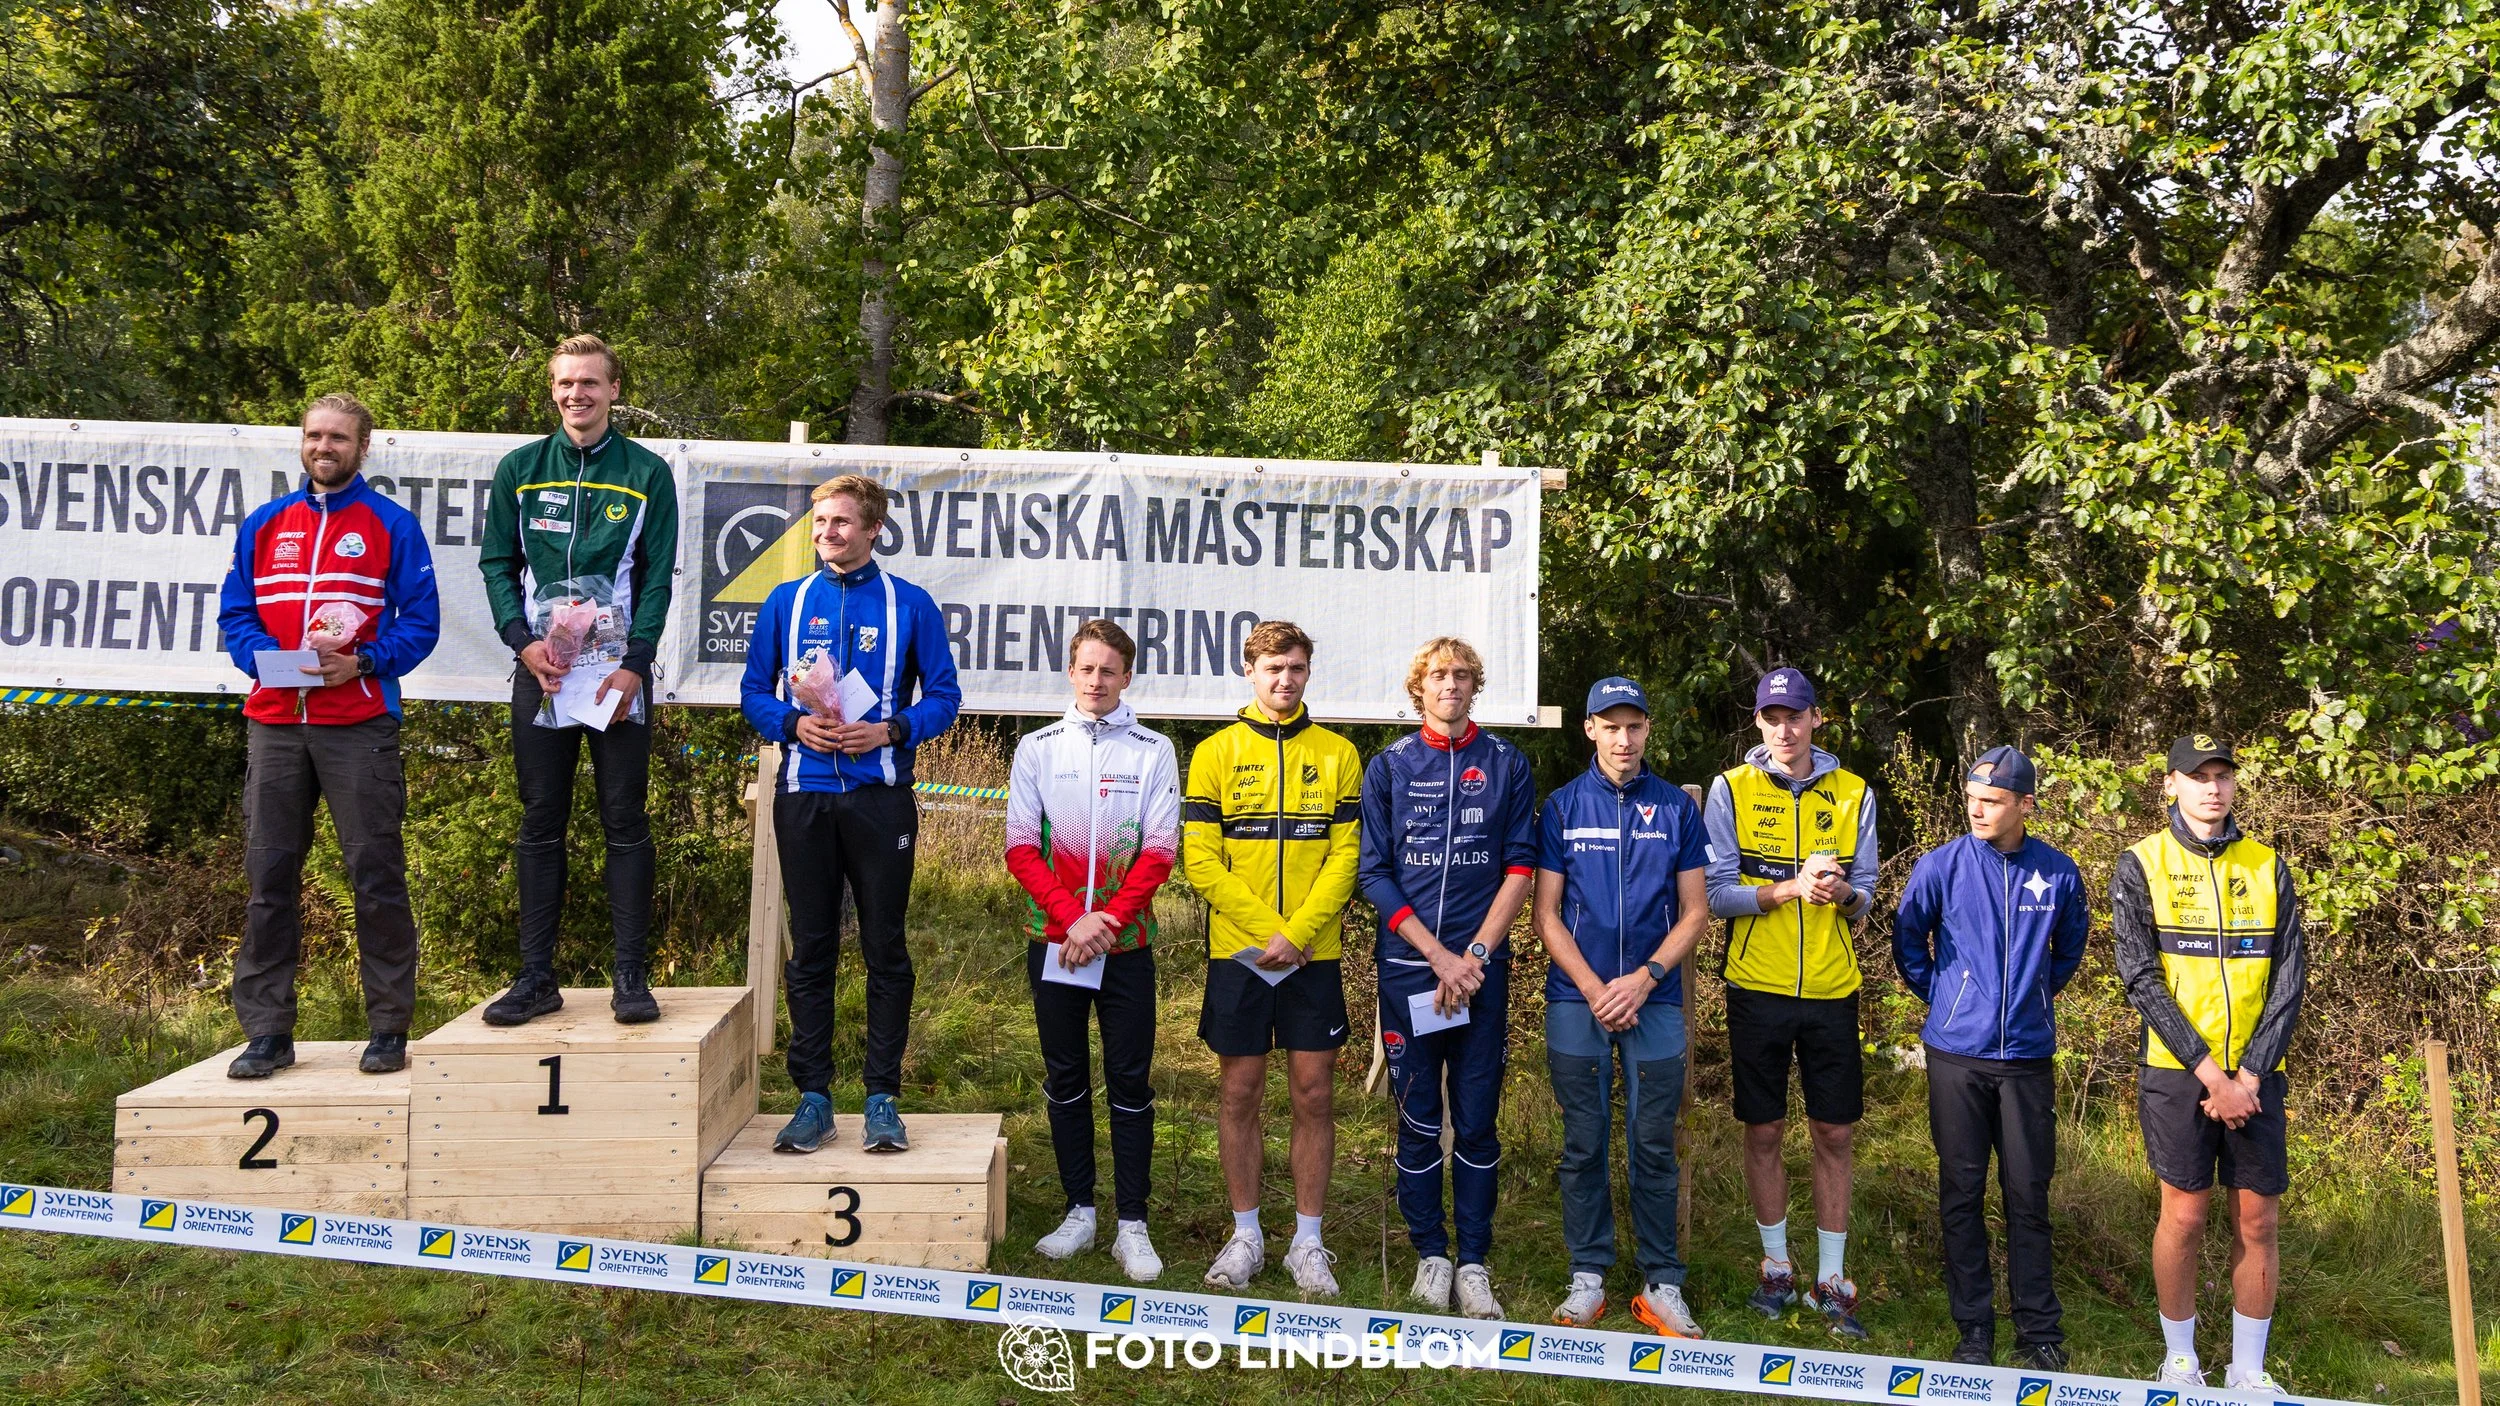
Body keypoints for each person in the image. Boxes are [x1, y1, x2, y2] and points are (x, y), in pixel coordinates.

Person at [217, 393, 441, 1078]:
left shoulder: (390, 525)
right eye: (314, 435)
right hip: (276, 725)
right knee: (269, 878)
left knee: (375, 877)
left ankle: (388, 1028)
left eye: (338, 438)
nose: (324, 447)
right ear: (302, 442)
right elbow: (235, 617)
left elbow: (422, 623)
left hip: (359, 726)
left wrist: (363, 661)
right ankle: (267, 1031)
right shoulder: (265, 524)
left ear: (362, 448)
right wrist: (267, 660)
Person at [741, 474, 961, 1155]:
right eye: (819, 523)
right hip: (804, 796)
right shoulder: (786, 601)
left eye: (840, 522)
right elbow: (751, 691)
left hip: (879, 798)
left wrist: (892, 731)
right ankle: (813, 1098)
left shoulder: (911, 605)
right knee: (810, 949)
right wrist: (788, 724)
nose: (826, 533)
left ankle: (881, 1099)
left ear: (873, 530)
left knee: (884, 949)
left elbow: (947, 696)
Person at [476, 334, 680, 1026]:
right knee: (540, 823)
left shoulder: (647, 472)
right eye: (565, 384)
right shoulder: (521, 468)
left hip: (617, 674)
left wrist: (635, 665)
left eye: (590, 383)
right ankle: (536, 977)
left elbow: (657, 580)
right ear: (552, 391)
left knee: (624, 821)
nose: (576, 395)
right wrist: (523, 643)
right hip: (543, 671)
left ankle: (631, 976)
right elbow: (496, 566)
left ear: (614, 390)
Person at [2113, 735, 2306, 1393]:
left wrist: (2249, 1074)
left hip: (2257, 1076)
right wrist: (2210, 1073)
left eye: (2223, 776)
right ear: (2171, 785)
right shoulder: (2140, 863)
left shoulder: (2269, 865)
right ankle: (2180, 1364)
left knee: (2258, 1220)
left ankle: (2247, 1373)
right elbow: (2139, 976)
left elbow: (2289, 978)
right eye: (2199, 777)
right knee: (2185, 1216)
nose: (2213, 789)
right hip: (2177, 1072)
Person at [1356, 638, 1536, 1320]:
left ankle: (1474, 1263)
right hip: (1412, 973)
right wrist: (1440, 958)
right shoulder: (1392, 766)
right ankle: (1431, 1254)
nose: (1451, 685)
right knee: (1418, 1122)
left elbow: (1521, 863)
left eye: (1462, 675)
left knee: (1478, 1121)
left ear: (1475, 687)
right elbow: (1374, 871)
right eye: (1438, 675)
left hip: (1481, 977)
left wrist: (1477, 959)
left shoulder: (1507, 763)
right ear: (1419, 688)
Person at [1892, 746, 2087, 1371]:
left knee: (2029, 1194)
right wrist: (1950, 1000)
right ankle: (1973, 1328)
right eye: (1972, 797)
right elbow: (1908, 943)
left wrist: (2026, 1000)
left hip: (2027, 1057)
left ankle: (2039, 1333)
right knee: (1961, 1193)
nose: (1978, 809)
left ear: (2025, 805)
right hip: (1956, 1055)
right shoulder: (1939, 866)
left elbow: (2068, 952)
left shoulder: (2058, 873)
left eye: (1993, 800)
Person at [1184, 620, 1362, 1297]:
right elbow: (1201, 860)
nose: (1284, 679)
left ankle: (1308, 1244)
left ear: (1307, 672)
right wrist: (1271, 931)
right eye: (1271, 669)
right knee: (1240, 1091)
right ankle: (1246, 1235)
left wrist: (1302, 931)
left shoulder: (1340, 754)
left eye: (1294, 668)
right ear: (1250, 673)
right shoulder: (1215, 753)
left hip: (1313, 954)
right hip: (1242, 952)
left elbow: (1346, 856)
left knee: (1314, 1093)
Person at [1701, 667, 1878, 1338]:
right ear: (1758, 723)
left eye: (1796, 716)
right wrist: (1787, 892)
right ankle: (1776, 1267)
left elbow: (1866, 899)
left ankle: (1831, 1279)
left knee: (1834, 1132)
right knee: (1765, 1129)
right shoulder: (1731, 789)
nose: (1785, 728)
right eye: (1773, 717)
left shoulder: (1853, 790)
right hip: (1756, 986)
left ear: (1816, 720)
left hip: (1833, 989)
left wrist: (1842, 897)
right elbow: (1717, 895)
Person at [1534, 677, 1711, 1336]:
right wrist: (1594, 988)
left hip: (1654, 997)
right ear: (1590, 729)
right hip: (1577, 996)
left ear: (1647, 730)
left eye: (1634, 726)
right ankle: (1588, 1276)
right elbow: (1546, 917)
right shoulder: (1560, 807)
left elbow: (1695, 911)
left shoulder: (1675, 809)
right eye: (1611, 726)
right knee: (1583, 1144)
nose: (1624, 739)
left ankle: (1662, 1283)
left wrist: (1642, 978)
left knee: (1653, 1143)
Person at [1003, 619, 1179, 1282]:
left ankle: (1132, 1223)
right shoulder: (1038, 748)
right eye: (1087, 669)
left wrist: (1105, 920)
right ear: (1070, 672)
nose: (1098, 681)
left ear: (1127, 676)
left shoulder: (1152, 749)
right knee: (1067, 1078)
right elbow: (1021, 845)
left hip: (1125, 943)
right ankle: (1079, 1210)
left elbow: (1160, 851)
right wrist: (1071, 921)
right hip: (1056, 942)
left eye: (1110, 670)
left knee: (1129, 1082)